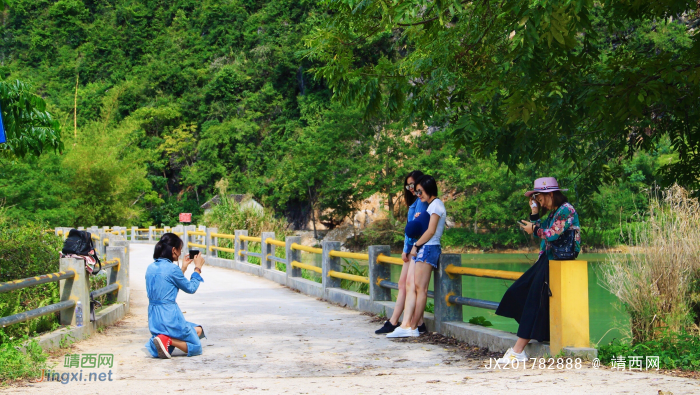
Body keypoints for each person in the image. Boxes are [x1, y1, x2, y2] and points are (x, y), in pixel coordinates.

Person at [495, 177, 581, 364]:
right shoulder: (553, 212)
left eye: (540, 198)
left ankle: (518, 350)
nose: (539, 202)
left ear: (550, 194)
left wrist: (533, 229)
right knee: (517, 292)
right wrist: (534, 214)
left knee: (534, 302)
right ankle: (532, 337)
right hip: (547, 260)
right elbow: (542, 229)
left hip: (558, 261)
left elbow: (552, 234)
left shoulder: (566, 210)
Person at [387, 175, 447, 338]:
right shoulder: (431, 206)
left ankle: (412, 327)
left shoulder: (436, 205)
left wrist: (416, 245)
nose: (418, 194)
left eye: (420, 191)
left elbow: (431, 231)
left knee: (421, 290)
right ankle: (409, 325)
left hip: (428, 248)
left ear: (429, 189)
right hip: (425, 248)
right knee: (417, 288)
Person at [375, 171, 429, 335]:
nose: (411, 188)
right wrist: (406, 249)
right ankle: (413, 323)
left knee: (409, 285)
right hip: (411, 248)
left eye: (413, 185)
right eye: (408, 186)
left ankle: (398, 322)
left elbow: (417, 228)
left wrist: (408, 249)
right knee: (403, 284)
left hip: (417, 248)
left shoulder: (421, 203)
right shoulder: (415, 203)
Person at [145, 233, 207, 359]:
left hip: (155, 320)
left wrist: (183, 268)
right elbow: (190, 288)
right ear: (173, 250)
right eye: (179, 249)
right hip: (170, 318)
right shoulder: (172, 269)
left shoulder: (150, 268)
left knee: (199, 330)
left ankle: (162, 339)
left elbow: (168, 287)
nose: (180, 253)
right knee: (197, 346)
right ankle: (169, 340)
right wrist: (198, 268)